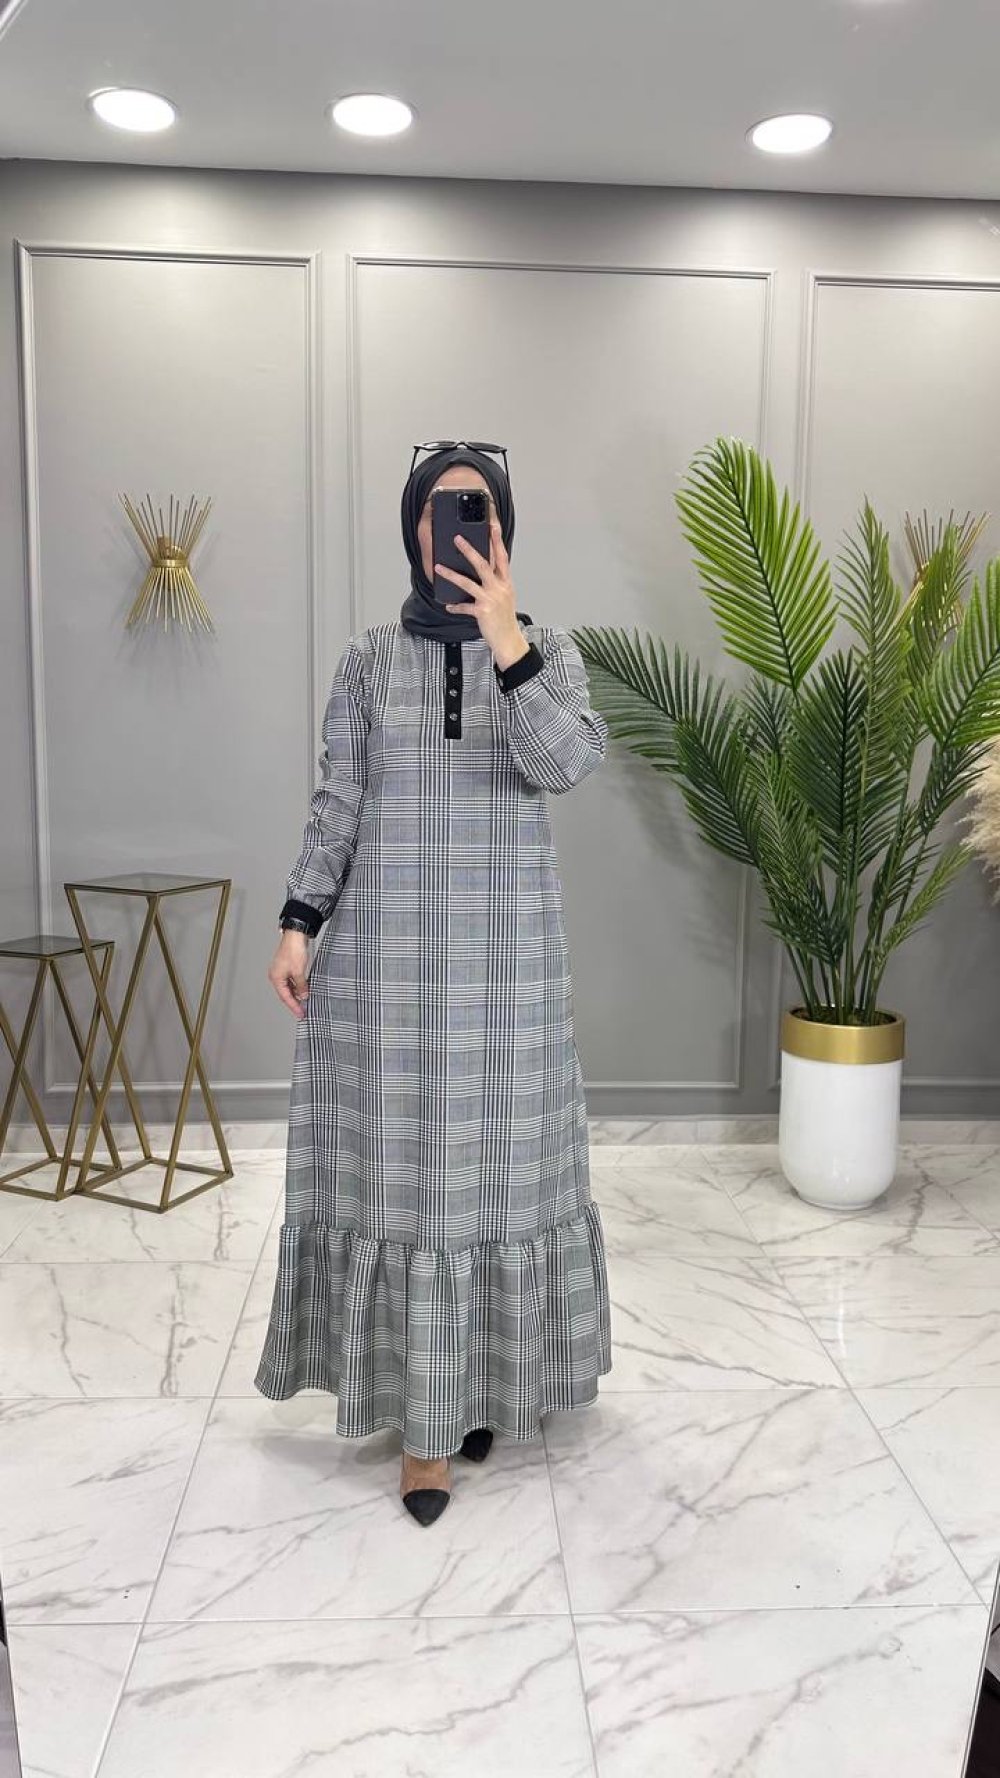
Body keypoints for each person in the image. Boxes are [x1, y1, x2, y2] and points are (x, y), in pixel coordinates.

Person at [258, 440, 613, 1526]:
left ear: (502, 529)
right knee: (407, 1180)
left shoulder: (548, 651)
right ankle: (423, 1433)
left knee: (497, 1178)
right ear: (412, 529)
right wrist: (299, 919)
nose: (454, 528)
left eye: (476, 509)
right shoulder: (370, 661)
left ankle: (481, 1388)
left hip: (507, 972)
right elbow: (339, 801)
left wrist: (506, 640)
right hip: (389, 971)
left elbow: (567, 762)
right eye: (437, 511)